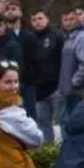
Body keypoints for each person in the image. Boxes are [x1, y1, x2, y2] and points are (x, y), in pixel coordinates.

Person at [25, 9, 64, 142]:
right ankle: (48, 150)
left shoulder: (56, 36)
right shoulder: (29, 39)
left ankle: (61, 149)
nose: (37, 22)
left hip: (56, 87)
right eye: (34, 20)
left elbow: (63, 61)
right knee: (43, 124)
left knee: (59, 123)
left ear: (47, 19)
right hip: (38, 91)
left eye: (40, 18)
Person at [59, 8, 84, 119]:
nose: (68, 23)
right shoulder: (68, 37)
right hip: (68, 92)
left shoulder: (83, 37)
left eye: (71, 19)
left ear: (77, 19)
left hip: (79, 93)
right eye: (65, 20)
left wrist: (74, 82)